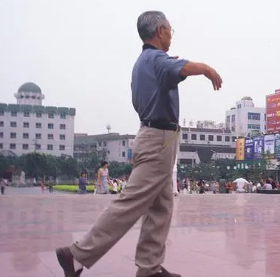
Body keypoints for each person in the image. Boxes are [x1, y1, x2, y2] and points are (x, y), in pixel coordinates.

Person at [55, 10, 222, 277]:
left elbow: (144, 94)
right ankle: (76, 254)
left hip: (152, 136)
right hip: (159, 141)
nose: (171, 34)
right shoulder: (157, 59)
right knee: (131, 203)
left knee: (161, 206)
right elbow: (179, 67)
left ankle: (149, 268)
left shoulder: (142, 63)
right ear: (160, 30)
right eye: (170, 29)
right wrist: (206, 69)